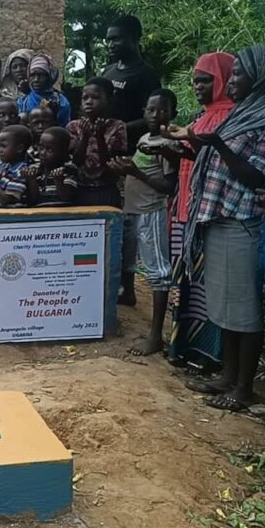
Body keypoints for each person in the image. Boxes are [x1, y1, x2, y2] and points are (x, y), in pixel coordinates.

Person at [164, 45, 265, 413]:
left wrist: (217, 143)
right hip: (218, 216)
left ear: (260, 76)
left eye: (238, 73)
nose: (232, 80)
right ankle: (228, 376)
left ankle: (243, 388)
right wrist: (191, 147)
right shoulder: (244, 113)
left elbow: (257, 176)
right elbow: (219, 162)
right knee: (224, 305)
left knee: (243, 309)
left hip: (244, 220)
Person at [167, 52, 234, 372]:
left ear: (223, 81)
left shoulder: (231, 118)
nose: (198, 87)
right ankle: (183, 346)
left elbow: (219, 159)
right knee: (186, 281)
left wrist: (189, 138)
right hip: (185, 209)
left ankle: (210, 353)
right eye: (195, 81)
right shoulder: (201, 117)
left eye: (205, 81)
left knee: (206, 285)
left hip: (209, 213)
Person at [109, 89, 180, 355]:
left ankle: (156, 335)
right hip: (134, 210)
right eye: (151, 110)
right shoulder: (144, 139)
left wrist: (135, 172)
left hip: (152, 212)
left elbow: (169, 186)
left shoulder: (169, 145)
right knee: (129, 259)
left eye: (162, 110)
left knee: (158, 272)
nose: (155, 115)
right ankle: (129, 294)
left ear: (173, 113)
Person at [102, 15, 161, 152]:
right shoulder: (108, 71)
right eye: (109, 40)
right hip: (103, 147)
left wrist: (118, 129)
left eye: (116, 39)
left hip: (131, 150)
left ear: (134, 38)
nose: (111, 45)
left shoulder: (146, 75)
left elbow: (154, 117)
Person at [67, 77, 127, 208]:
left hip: (107, 189)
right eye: (85, 98)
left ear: (108, 100)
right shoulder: (74, 127)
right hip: (80, 190)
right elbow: (75, 162)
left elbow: (111, 164)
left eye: (95, 97)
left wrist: (100, 137)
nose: (89, 102)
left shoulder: (117, 126)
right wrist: (85, 137)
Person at [0, 124, 35, 208]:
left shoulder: (20, 172)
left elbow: (5, 200)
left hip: (8, 216)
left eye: (3, 146)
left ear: (19, 148)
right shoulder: (5, 166)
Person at [25, 126, 77, 205]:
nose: (43, 153)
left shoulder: (69, 169)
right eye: (41, 148)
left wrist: (58, 181)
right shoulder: (35, 169)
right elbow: (33, 200)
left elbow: (67, 199)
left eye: (50, 150)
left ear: (63, 152)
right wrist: (32, 180)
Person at [19, 54, 71, 127]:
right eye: (32, 75)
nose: (36, 79)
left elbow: (63, 127)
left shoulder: (61, 102)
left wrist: (53, 114)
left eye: (41, 75)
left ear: (49, 76)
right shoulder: (23, 102)